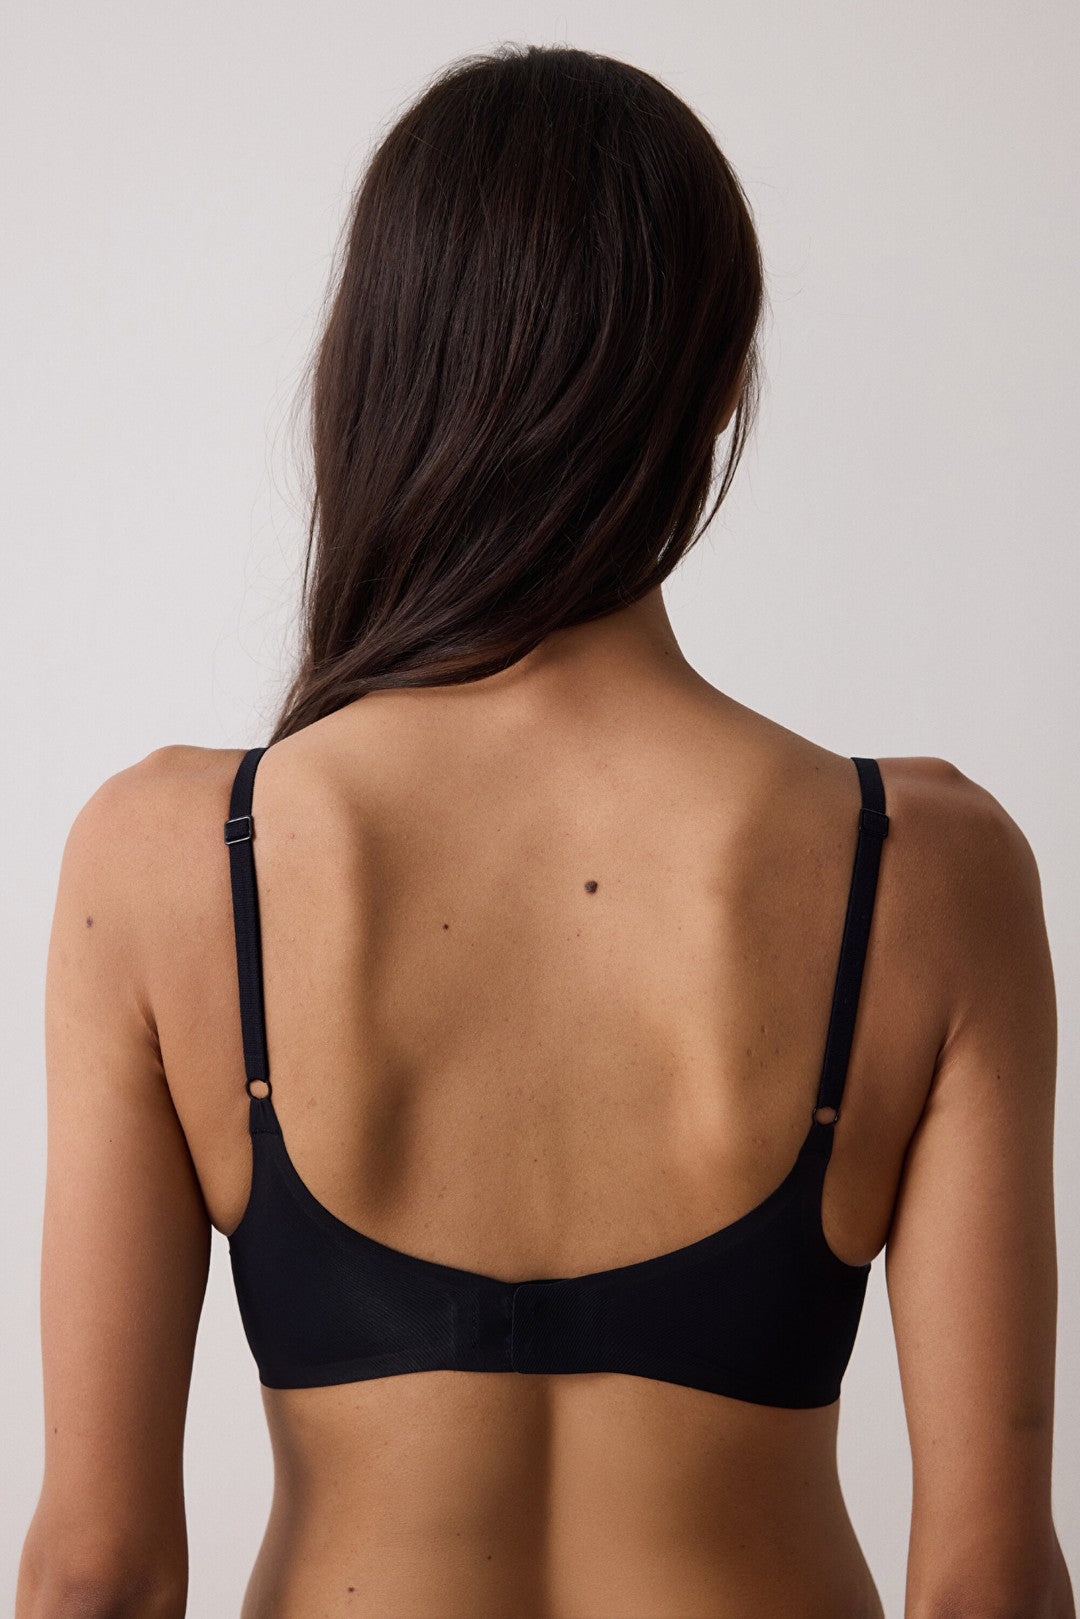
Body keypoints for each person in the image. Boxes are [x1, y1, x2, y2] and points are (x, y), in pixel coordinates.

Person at [16, 41, 1074, 1619]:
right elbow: (989, 1587)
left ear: (375, 372)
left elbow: (98, 1572)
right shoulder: (924, 868)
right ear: (721, 388)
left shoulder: (168, 858)